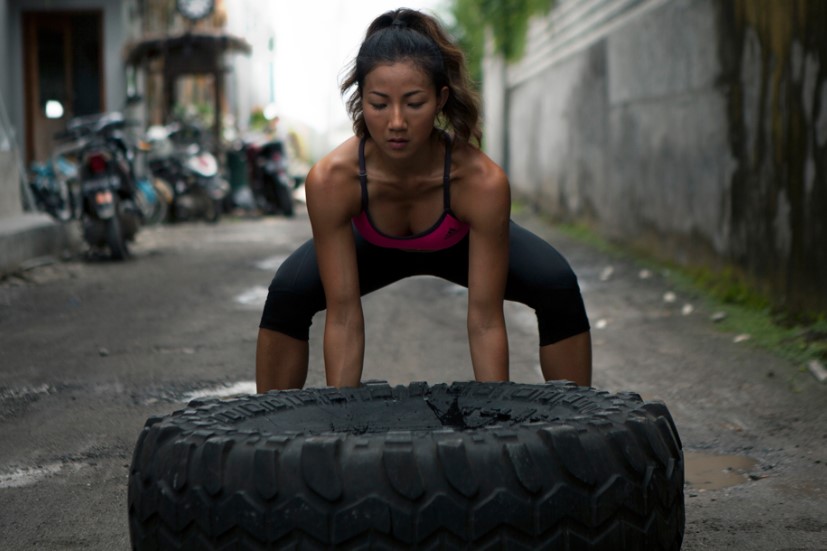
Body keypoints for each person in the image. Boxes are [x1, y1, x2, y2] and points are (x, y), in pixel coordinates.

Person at [256, 8, 591, 392]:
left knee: (557, 284)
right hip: (370, 247)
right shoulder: (332, 180)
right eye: (379, 104)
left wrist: (496, 416)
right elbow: (344, 316)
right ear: (361, 99)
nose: (396, 122)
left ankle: (579, 416)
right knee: (288, 292)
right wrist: (342, 415)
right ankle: (268, 420)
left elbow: (485, 320)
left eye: (414, 103)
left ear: (440, 99)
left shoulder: (480, 182)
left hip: (457, 244)